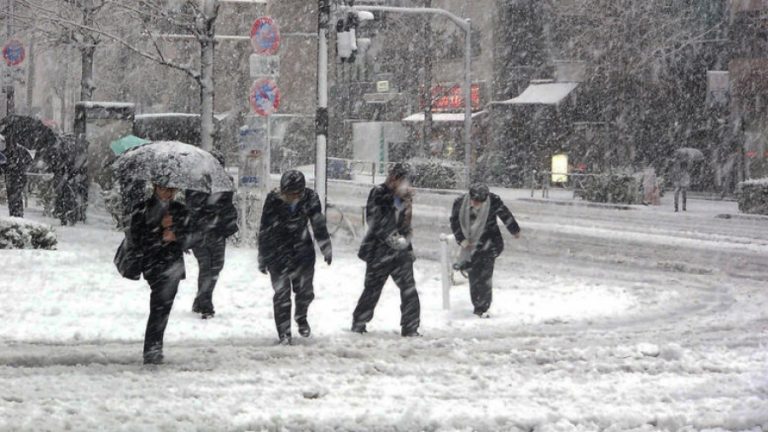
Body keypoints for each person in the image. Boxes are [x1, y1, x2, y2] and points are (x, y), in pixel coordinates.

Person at [258, 170, 332, 345]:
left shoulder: (311, 198)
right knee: (281, 294)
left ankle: (301, 316)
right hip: (278, 252)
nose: (290, 197)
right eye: (287, 194)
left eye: (295, 194)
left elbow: (318, 224)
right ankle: (284, 333)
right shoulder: (273, 199)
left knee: (305, 292)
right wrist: (262, 255)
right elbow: (265, 228)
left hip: (302, 252)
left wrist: (326, 247)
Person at [352, 163, 421, 337]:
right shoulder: (379, 193)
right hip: (379, 252)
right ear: (395, 179)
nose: (408, 186)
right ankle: (359, 323)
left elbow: (405, 226)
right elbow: (375, 220)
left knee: (409, 289)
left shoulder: (406, 199)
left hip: (400, 253)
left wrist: (407, 245)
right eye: (405, 181)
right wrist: (392, 238)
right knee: (372, 289)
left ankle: (410, 327)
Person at [129, 180, 190, 365]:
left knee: (163, 308)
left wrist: (176, 233)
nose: (168, 194)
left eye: (172, 189)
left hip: (173, 265)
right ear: (155, 188)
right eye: (164, 189)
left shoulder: (180, 209)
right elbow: (137, 238)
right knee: (159, 306)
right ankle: (152, 349)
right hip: (153, 264)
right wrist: (159, 229)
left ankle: (154, 347)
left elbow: (192, 237)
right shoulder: (142, 208)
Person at [449, 183, 521, 318]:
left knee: (485, 276)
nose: (477, 204)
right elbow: (455, 222)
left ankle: (483, 307)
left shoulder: (493, 200)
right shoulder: (459, 203)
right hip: (470, 246)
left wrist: (514, 230)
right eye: (475, 200)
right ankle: (477, 305)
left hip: (489, 243)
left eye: (480, 201)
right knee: (474, 277)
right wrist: (462, 240)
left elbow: (505, 214)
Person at [188, 153, 239, 319]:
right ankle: (206, 304)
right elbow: (192, 209)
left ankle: (200, 299)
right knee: (206, 267)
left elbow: (227, 206)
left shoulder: (226, 182)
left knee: (215, 267)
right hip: (200, 232)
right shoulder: (195, 183)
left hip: (217, 232)